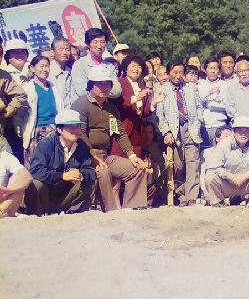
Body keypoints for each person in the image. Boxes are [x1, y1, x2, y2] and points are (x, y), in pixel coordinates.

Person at [71, 64, 148, 211]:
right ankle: (110, 211)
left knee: (137, 168)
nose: (104, 87)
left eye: (107, 84)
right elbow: (79, 133)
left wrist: (131, 155)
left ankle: (132, 209)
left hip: (105, 156)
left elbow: (119, 132)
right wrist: (92, 156)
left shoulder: (111, 108)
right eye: (99, 84)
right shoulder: (81, 104)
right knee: (103, 172)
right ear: (91, 85)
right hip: (84, 157)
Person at [24, 109, 96, 215]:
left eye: (77, 126)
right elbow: (35, 170)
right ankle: (37, 214)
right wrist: (62, 176)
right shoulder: (46, 144)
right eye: (71, 126)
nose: (75, 130)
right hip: (46, 196)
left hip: (67, 196)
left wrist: (81, 175)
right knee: (36, 184)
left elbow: (90, 170)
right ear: (59, 129)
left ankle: (74, 213)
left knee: (89, 181)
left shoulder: (82, 146)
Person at [156, 61, 203, 206]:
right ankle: (181, 195)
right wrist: (166, 132)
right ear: (168, 73)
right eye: (174, 72)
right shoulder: (163, 89)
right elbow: (160, 115)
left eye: (181, 72)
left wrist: (198, 121)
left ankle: (192, 196)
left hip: (191, 128)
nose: (177, 75)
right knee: (178, 165)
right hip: (174, 131)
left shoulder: (191, 88)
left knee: (192, 163)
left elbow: (199, 106)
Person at [204, 116, 249, 207]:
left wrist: (245, 176)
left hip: (247, 183)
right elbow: (214, 167)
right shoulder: (223, 145)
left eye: (246, 131)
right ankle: (219, 202)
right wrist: (231, 177)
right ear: (233, 132)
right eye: (240, 130)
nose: (243, 134)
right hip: (227, 184)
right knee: (210, 176)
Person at [22, 55, 63, 163]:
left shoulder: (53, 87)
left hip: (54, 130)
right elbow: (21, 114)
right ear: (32, 68)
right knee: (35, 163)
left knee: (53, 162)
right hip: (36, 131)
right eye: (41, 66)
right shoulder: (28, 88)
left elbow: (60, 110)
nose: (44, 69)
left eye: (47, 66)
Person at [70, 28, 120, 102]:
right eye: (95, 42)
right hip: (85, 107)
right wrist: (106, 89)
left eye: (102, 42)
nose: (99, 46)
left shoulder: (110, 66)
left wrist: (97, 90)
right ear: (88, 44)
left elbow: (117, 91)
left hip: (105, 108)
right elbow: (81, 91)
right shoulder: (79, 65)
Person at [196, 57, 229, 150]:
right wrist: (210, 93)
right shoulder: (200, 84)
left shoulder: (224, 85)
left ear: (219, 70)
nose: (213, 71)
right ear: (205, 70)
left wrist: (209, 105)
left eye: (215, 68)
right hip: (203, 127)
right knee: (204, 156)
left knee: (219, 154)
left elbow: (225, 105)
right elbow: (198, 103)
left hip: (219, 126)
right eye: (210, 68)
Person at [0, 141, 32, 218]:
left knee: (18, 184)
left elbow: (26, 175)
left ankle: (2, 211)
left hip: (3, 203)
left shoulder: (4, 156)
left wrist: (9, 191)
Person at [48, 36, 75, 109]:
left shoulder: (70, 71)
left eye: (67, 50)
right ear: (52, 52)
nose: (65, 53)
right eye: (61, 49)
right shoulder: (47, 70)